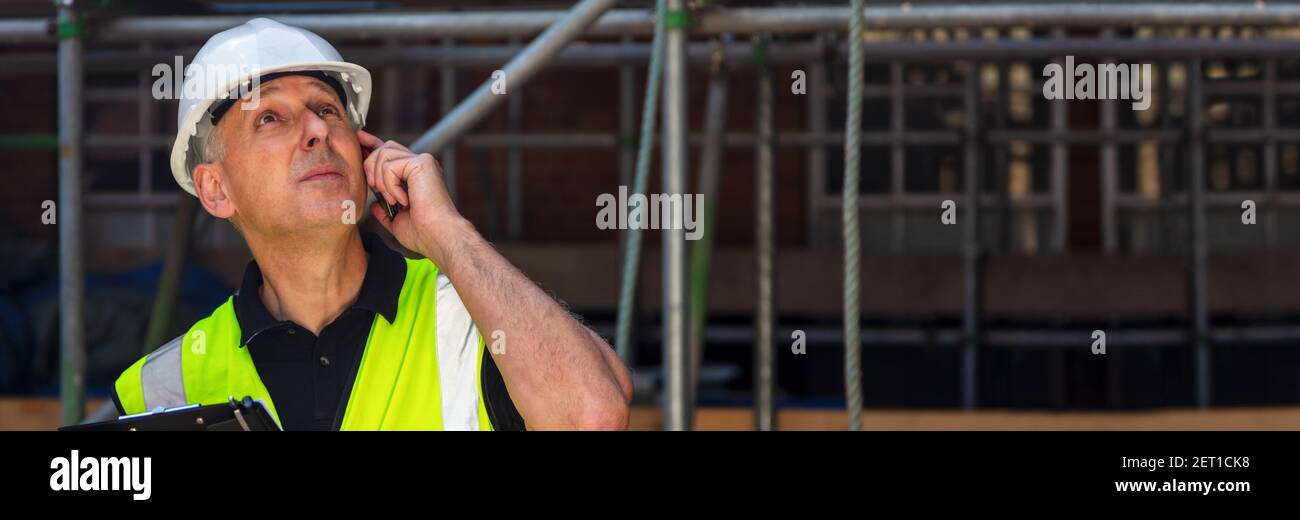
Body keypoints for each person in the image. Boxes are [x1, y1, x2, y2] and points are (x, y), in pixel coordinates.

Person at [111, 18, 633, 430]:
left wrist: (447, 234)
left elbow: (592, 416)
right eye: (270, 117)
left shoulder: (466, 318)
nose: (316, 129)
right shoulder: (163, 388)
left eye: (328, 110)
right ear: (215, 190)